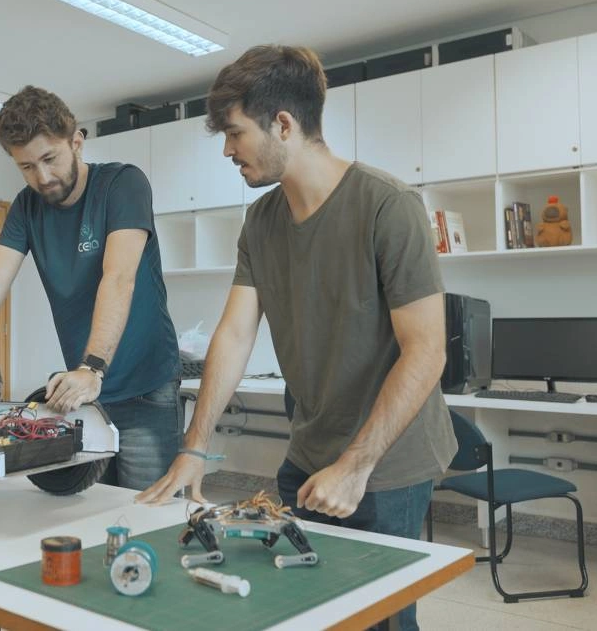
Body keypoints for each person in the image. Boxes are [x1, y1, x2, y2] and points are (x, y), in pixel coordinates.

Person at [136, 45, 457, 631]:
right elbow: (233, 335)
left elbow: (427, 350)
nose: (228, 150)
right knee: (306, 609)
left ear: (283, 123)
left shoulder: (388, 206)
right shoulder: (261, 222)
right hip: (307, 458)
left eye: (234, 133)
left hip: (387, 466)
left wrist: (357, 466)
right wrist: (194, 448)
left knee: (379, 619)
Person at [0, 85, 181, 491]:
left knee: (147, 509)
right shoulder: (26, 206)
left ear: (76, 142)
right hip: (84, 394)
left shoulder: (122, 185)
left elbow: (119, 278)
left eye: (49, 159)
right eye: (26, 167)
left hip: (144, 387)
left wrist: (92, 368)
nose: (42, 177)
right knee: (90, 507)